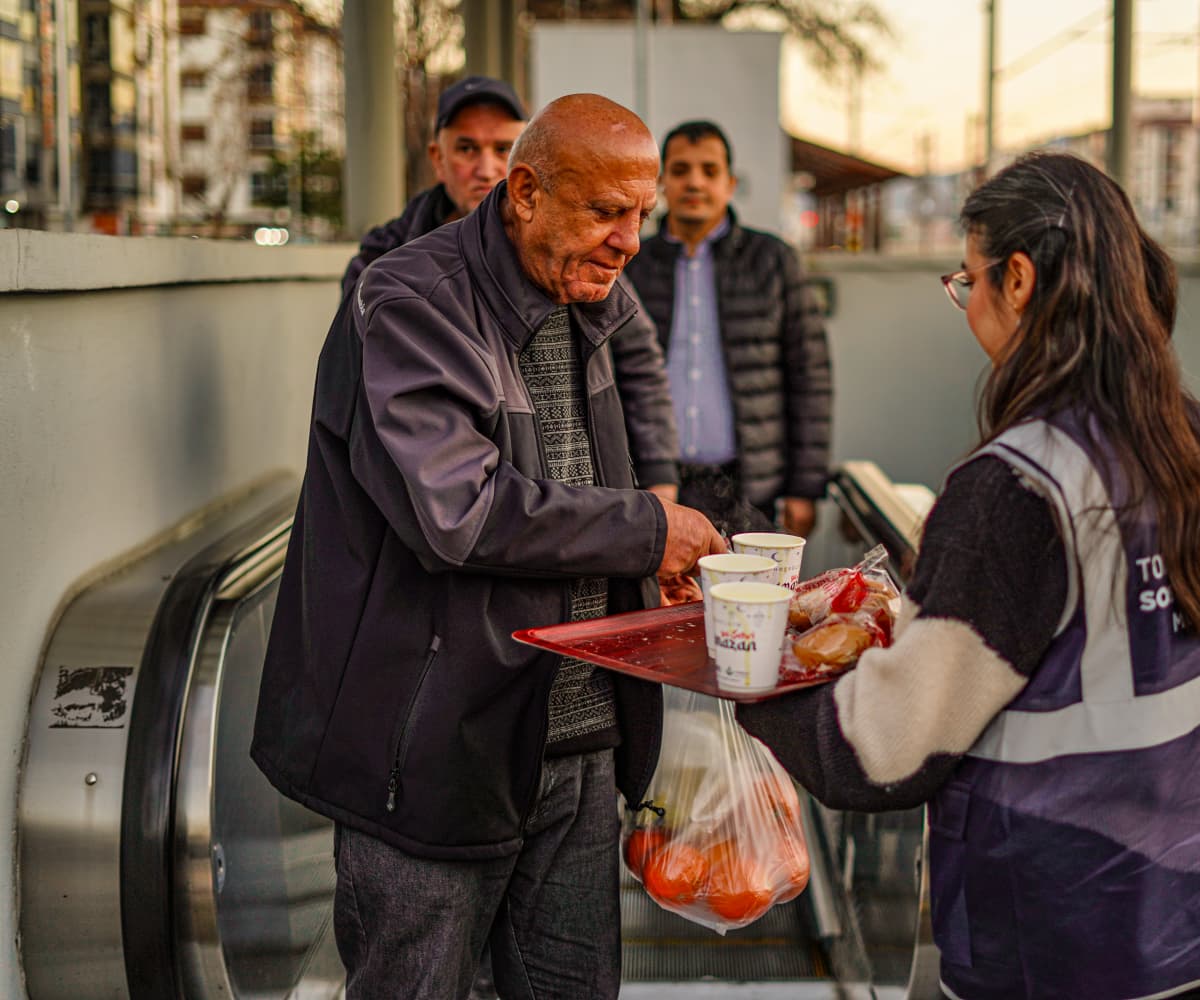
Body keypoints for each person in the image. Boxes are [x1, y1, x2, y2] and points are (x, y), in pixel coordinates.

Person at [736, 152, 1200, 1000]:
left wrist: (742, 672)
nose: (967, 304)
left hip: (1074, 928)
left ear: (1019, 279)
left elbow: (882, 750)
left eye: (968, 281)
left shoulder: (1017, 483)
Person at [252, 93, 726, 999]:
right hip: (435, 748)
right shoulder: (407, 298)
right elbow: (461, 512)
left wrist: (655, 564)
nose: (630, 242)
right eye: (607, 211)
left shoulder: (590, 285)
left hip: (578, 734)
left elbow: (601, 471)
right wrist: (648, 531)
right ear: (526, 192)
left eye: (642, 215)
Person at [341, 75, 682, 504]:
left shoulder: (583, 259)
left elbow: (640, 368)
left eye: (503, 148)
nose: (486, 169)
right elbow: (458, 501)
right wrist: (637, 524)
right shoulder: (396, 278)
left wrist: (657, 488)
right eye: (468, 149)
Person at [625, 119, 832, 536]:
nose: (695, 182)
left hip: (750, 487)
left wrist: (804, 488)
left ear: (730, 183)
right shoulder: (633, 264)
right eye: (680, 170)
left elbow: (810, 376)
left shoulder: (773, 261)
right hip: (656, 485)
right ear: (661, 182)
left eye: (709, 170)